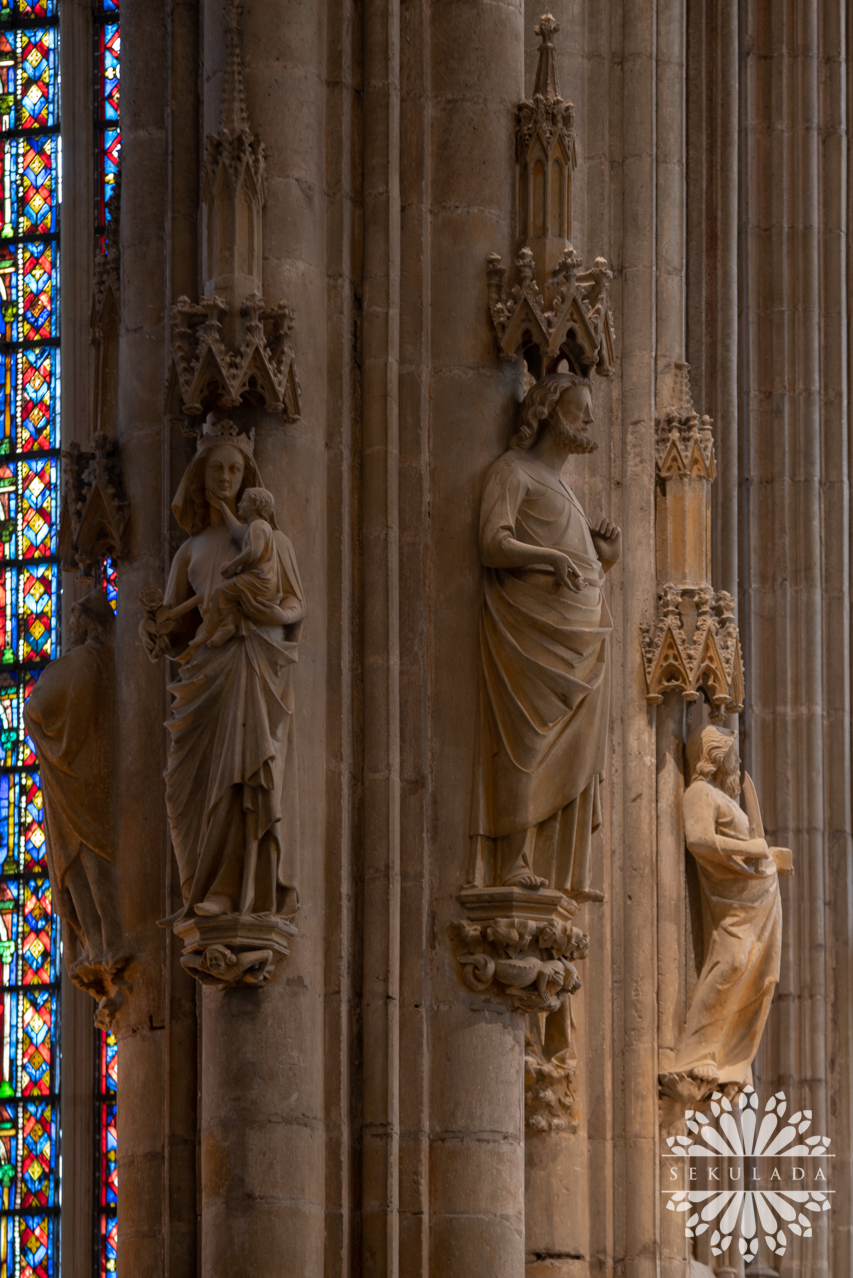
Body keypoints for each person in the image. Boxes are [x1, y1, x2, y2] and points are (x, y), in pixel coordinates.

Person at [143, 417, 306, 920]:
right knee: (183, 786)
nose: (226, 477)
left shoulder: (268, 539)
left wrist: (275, 617)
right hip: (204, 672)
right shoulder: (190, 551)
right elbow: (174, 621)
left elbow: (296, 604)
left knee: (242, 775)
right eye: (216, 468)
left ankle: (235, 892)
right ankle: (200, 883)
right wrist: (153, 631)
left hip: (250, 664)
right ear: (200, 476)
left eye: (235, 468)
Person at [469, 371, 620, 899]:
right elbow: (493, 543)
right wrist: (552, 558)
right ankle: (511, 862)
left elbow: (576, 564)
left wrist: (603, 559)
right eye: (579, 409)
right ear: (547, 412)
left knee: (569, 751)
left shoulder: (568, 492)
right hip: (529, 638)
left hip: (577, 640)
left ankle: (556, 869)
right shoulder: (514, 472)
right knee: (525, 745)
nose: (589, 420)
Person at [24, 589, 126, 991]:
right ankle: (104, 944)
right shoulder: (102, 663)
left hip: (77, 782)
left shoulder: (83, 662)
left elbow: (37, 707)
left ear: (87, 622)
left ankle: (102, 943)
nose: (70, 627)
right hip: (84, 780)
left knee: (81, 864)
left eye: (74, 619)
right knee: (83, 865)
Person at [674, 725, 784, 1087]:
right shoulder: (700, 793)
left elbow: (748, 848)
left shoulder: (728, 799)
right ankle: (698, 1050)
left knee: (759, 974)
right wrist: (750, 850)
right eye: (734, 756)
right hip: (734, 901)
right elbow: (700, 840)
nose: (738, 764)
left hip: (757, 901)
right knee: (732, 960)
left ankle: (731, 1054)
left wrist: (770, 858)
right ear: (717, 757)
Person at [181, 485, 303, 658]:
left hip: (259, 583)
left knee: (221, 591)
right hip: (258, 584)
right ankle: (228, 625)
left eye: (244, 501)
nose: (239, 504)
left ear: (255, 505)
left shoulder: (259, 526)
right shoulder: (254, 528)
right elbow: (236, 530)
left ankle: (209, 632)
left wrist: (233, 565)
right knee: (229, 596)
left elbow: (254, 551)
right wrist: (222, 506)